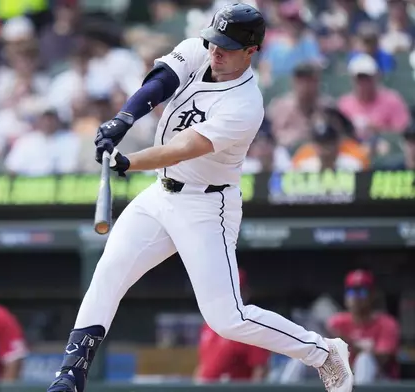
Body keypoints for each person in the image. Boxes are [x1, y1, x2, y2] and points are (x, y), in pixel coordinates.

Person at [46, 5, 353, 392]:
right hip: (161, 195)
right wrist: (123, 120)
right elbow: (158, 82)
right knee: (108, 273)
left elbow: (185, 147)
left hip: (207, 206)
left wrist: (128, 161)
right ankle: (70, 376)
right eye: (214, 42)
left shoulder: (246, 104)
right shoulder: (199, 48)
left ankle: (323, 352)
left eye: (227, 46)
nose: (215, 51)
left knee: (227, 318)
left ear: (252, 50)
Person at [194, 269, 270, 383]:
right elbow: (204, 365)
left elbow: (260, 370)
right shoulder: (208, 324)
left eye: (233, 291)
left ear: (245, 293)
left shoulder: (252, 326)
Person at [328, 270, 400, 383]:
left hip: (380, 381)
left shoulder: (386, 323)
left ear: (372, 295)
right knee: (301, 361)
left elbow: (383, 359)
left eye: (361, 291)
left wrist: (350, 344)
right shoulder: (336, 322)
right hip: (343, 377)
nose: (355, 298)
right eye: (351, 291)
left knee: (364, 360)